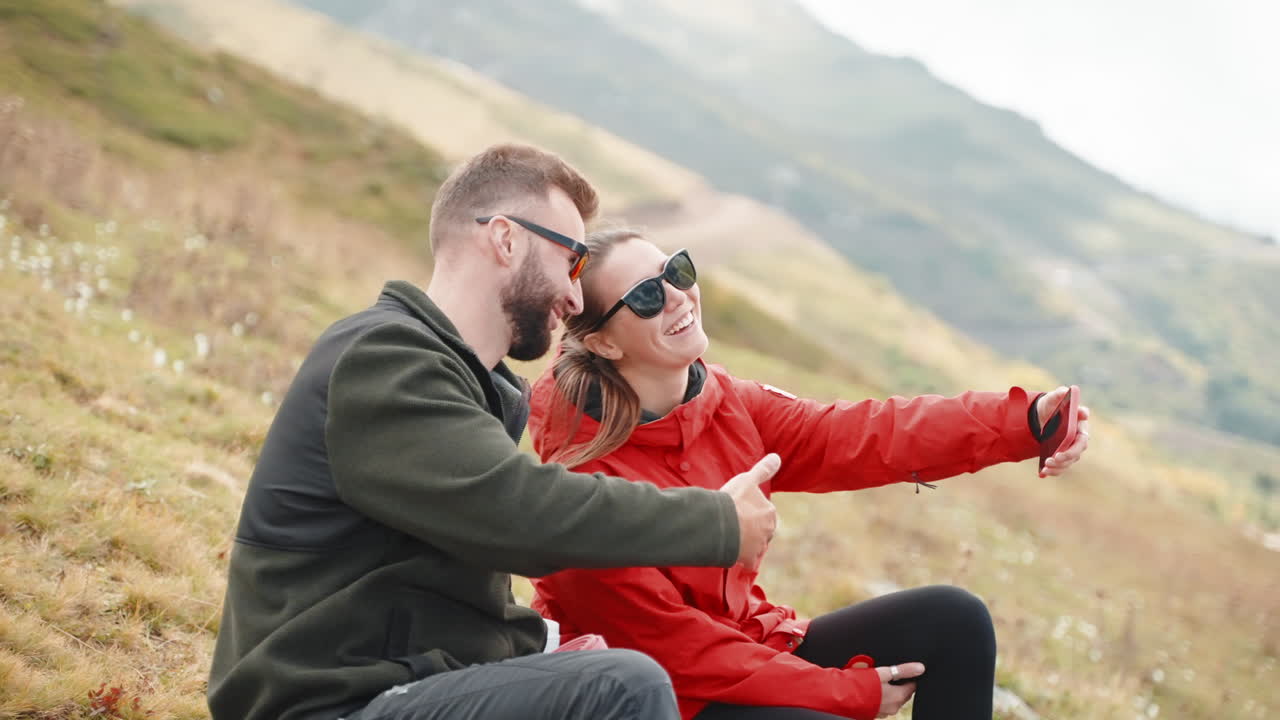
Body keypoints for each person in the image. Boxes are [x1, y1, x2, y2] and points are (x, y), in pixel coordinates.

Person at [207, 144, 782, 720]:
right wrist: (715, 520)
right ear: (506, 240)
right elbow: (518, 515)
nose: (576, 297)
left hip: (393, 686)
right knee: (620, 686)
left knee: (605, 673)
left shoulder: (461, 384)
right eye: (572, 261)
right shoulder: (384, 358)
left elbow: (444, 579)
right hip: (324, 705)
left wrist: (541, 645)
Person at [527, 230, 1092, 720]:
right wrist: (843, 692)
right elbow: (674, 649)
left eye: (676, 271)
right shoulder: (579, 474)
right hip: (659, 695)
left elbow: (864, 435)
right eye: (648, 296)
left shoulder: (723, 402)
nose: (679, 297)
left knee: (955, 620)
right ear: (601, 340)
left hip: (746, 649)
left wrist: (1024, 422)